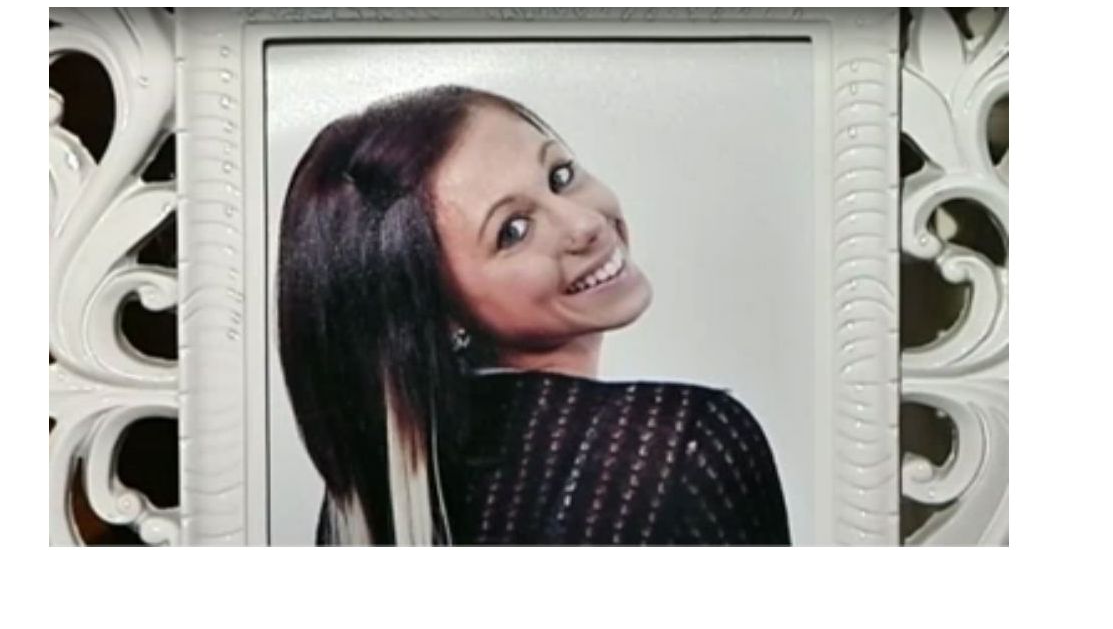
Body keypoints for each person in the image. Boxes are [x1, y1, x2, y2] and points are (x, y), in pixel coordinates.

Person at [277, 84, 790, 545]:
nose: (585, 224)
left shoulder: (375, 500)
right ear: (438, 315)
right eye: (514, 231)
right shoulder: (681, 444)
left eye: (560, 176)